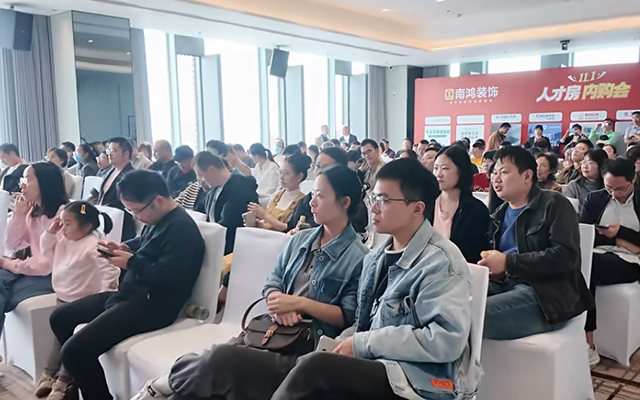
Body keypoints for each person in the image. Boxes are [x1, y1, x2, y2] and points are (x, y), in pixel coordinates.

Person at [132, 165, 369, 400]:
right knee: (199, 387)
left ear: (345, 202)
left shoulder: (358, 257)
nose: (312, 202)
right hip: (272, 329)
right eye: (313, 194)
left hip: (304, 347)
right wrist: (277, 303)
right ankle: (161, 390)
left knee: (222, 358)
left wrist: (299, 304)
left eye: (320, 196)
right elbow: (273, 281)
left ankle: (161, 384)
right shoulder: (301, 240)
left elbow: (347, 316)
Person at [265, 158, 479, 400]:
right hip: (375, 364)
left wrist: (361, 343)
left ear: (417, 208)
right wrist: (339, 344)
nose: (374, 209)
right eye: (374, 198)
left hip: (417, 380)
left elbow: (445, 340)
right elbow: (362, 324)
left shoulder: (441, 263)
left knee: (314, 369)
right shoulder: (375, 257)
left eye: (384, 200)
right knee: (247, 364)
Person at [49, 170, 205, 400]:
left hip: (153, 306)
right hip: (131, 294)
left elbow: (170, 278)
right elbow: (148, 244)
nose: (136, 217)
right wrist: (124, 247)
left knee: (74, 352)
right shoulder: (159, 218)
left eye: (136, 211)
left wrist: (131, 262)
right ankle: (81, 379)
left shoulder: (183, 230)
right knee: (60, 317)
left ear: (157, 200)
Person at [480, 146, 592, 340]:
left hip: (546, 293)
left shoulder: (554, 204)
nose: (496, 179)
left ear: (527, 176)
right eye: (494, 173)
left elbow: (566, 256)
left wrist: (508, 262)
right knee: (449, 303)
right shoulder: (497, 215)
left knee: (469, 314)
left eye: (504, 172)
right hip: (505, 284)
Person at [36, 201, 119, 400]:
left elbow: (110, 271)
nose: (63, 228)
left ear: (87, 226)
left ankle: (62, 383)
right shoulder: (64, 241)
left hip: (81, 303)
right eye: (61, 223)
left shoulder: (94, 246)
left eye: (67, 224)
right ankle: (48, 375)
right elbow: (46, 251)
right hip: (62, 298)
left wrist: (104, 297)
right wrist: (50, 232)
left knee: (70, 344)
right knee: (58, 340)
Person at [580, 157, 640, 365]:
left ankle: (587, 341)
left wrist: (622, 231)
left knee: (587, 267)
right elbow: (583, 233)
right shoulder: (595, 199)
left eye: (621, 189)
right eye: (609, 188)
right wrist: (618, 239)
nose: (614, 194)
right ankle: (585, 339)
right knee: (583, 264)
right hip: (599, 252)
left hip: (632, 261)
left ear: (633, 179)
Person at [194, 152, 258, 256]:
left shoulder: (241, 186)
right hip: (216, 244)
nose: (201, 180)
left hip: (233, 248)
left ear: (211, 170)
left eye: (201, 175)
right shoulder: (213, 190)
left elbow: (228, 224)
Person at [434, 146, 490, 262]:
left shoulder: (475, 210)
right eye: (435, 168)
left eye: (445, 168)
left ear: (461, 171)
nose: (438, 174)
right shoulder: (425, 204)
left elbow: (475, 254)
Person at [286, 148, 348, 233]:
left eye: (325, 168)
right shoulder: (306, 200)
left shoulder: (342, 200)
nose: (319, 172)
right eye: (317, 166)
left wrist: (310, 231)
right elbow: (291, 225)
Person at [246, 153, 309, 232]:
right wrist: (256, 223)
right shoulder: (276, 195)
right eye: (280, 172)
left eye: (286, 173)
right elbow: (267, 222)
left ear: (300, 176)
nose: (281, 177)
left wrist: (264, 215)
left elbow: (288, 228)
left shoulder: (303, 202)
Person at [98, 137, 136, 241]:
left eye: (113, 151)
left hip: (121, 224)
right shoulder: (109, 171)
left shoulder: (131, 176)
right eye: (108, 151)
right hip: (105, 219)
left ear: (126, 154)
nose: (109, 154)